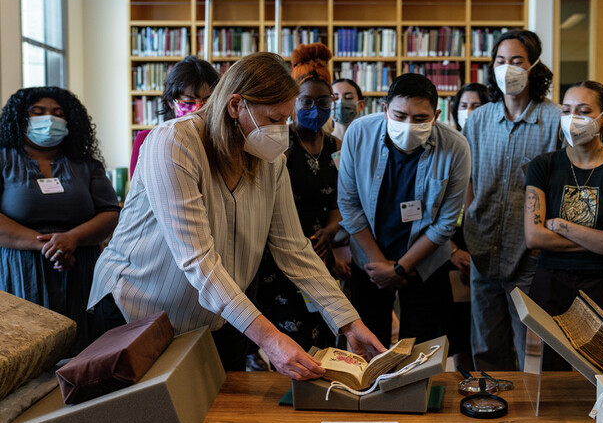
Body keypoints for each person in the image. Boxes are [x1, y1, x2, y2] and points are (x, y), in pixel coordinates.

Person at [88, 52, 384, 375]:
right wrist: (271, 339)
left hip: (218, 315)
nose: (282, 132)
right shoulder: (173, 143)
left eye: (286, 120)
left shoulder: (270, 161)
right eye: (273, 119)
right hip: (139, 311)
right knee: (148, 420)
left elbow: (294, 249)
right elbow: (198, 260)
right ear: (235, 106)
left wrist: (348, 322)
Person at [337, 72, 471, 349]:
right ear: (385, 109)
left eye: (420, 119)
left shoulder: (456, 147)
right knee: (370, 348)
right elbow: (349, 206)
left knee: (420, 350)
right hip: (370, 263)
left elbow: (446, 223)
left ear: (436, 115)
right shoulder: (359, 133)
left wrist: (400, 267)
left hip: (425, 264)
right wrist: (382, 267)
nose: (409, 126)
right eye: (400, 116)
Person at [524, 81, 603, 370]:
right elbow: (534, 237)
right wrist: (601, 239)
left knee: (602, 368)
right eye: (566, 109)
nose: (573, 117)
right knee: (551, 374)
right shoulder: (543, 166)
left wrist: (560, 225)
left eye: (584, 110)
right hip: (551, 282)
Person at [463, 29, 561, 371]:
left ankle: (526, 417)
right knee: (486, 344)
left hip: (529, 253)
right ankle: (491, 406)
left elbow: (562, 187)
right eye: (500, 61)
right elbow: (467, 178)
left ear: (533, 65)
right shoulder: (478, 118)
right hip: (483, 246)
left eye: (516, 61)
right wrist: (470, 217)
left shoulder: (555, 119)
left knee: (531, 347)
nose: (508, 68)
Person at [0, 87, 120, 351]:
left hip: (82, 270)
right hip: (22, 271)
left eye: (58, 113)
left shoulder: (87, 165)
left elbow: (110, 213)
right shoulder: (4, 160)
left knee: (83, 350)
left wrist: (72, 239)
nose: (49, 120)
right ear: (20, 118)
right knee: (26, 348)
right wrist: (49, 245)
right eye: (38, 112)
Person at [252, 43, 342, 351]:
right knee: (293, 340)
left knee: (329, 334)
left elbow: (341, 201)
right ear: (293, 104)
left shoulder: (336, 146)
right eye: (305, 101)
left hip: (322, 251)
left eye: (323, 101)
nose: (314, 109)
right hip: (282, 255)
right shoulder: (280, 141)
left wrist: (330, 232)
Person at [446, 82, 489, 369]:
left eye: (476, 105)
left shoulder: (493, 151)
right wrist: (452, 251)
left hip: (489, 256)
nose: (470, 112)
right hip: (450, 253)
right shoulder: (447, 151)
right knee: (459, 335)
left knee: (489, 333)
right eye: (464, 106)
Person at [129, 55, 219, 177]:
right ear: (171, 103)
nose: (199, 110)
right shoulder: (145, 140)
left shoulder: (220, 142)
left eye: (207, 102)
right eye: (188, 103)